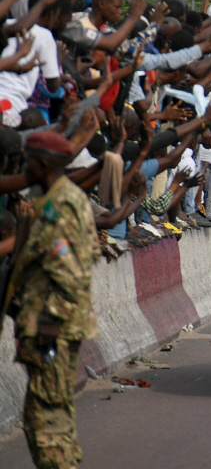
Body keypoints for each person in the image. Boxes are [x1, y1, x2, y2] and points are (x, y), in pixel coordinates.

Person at [4, 131, 99, 469]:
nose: (25, 169)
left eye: (29, 162)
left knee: (47, 418)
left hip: (52, 327)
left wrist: (49, 321)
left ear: (42, 164)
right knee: (48, 412)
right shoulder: (58, 199)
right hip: (47, 321)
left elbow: (69, 269)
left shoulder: (60, 204)